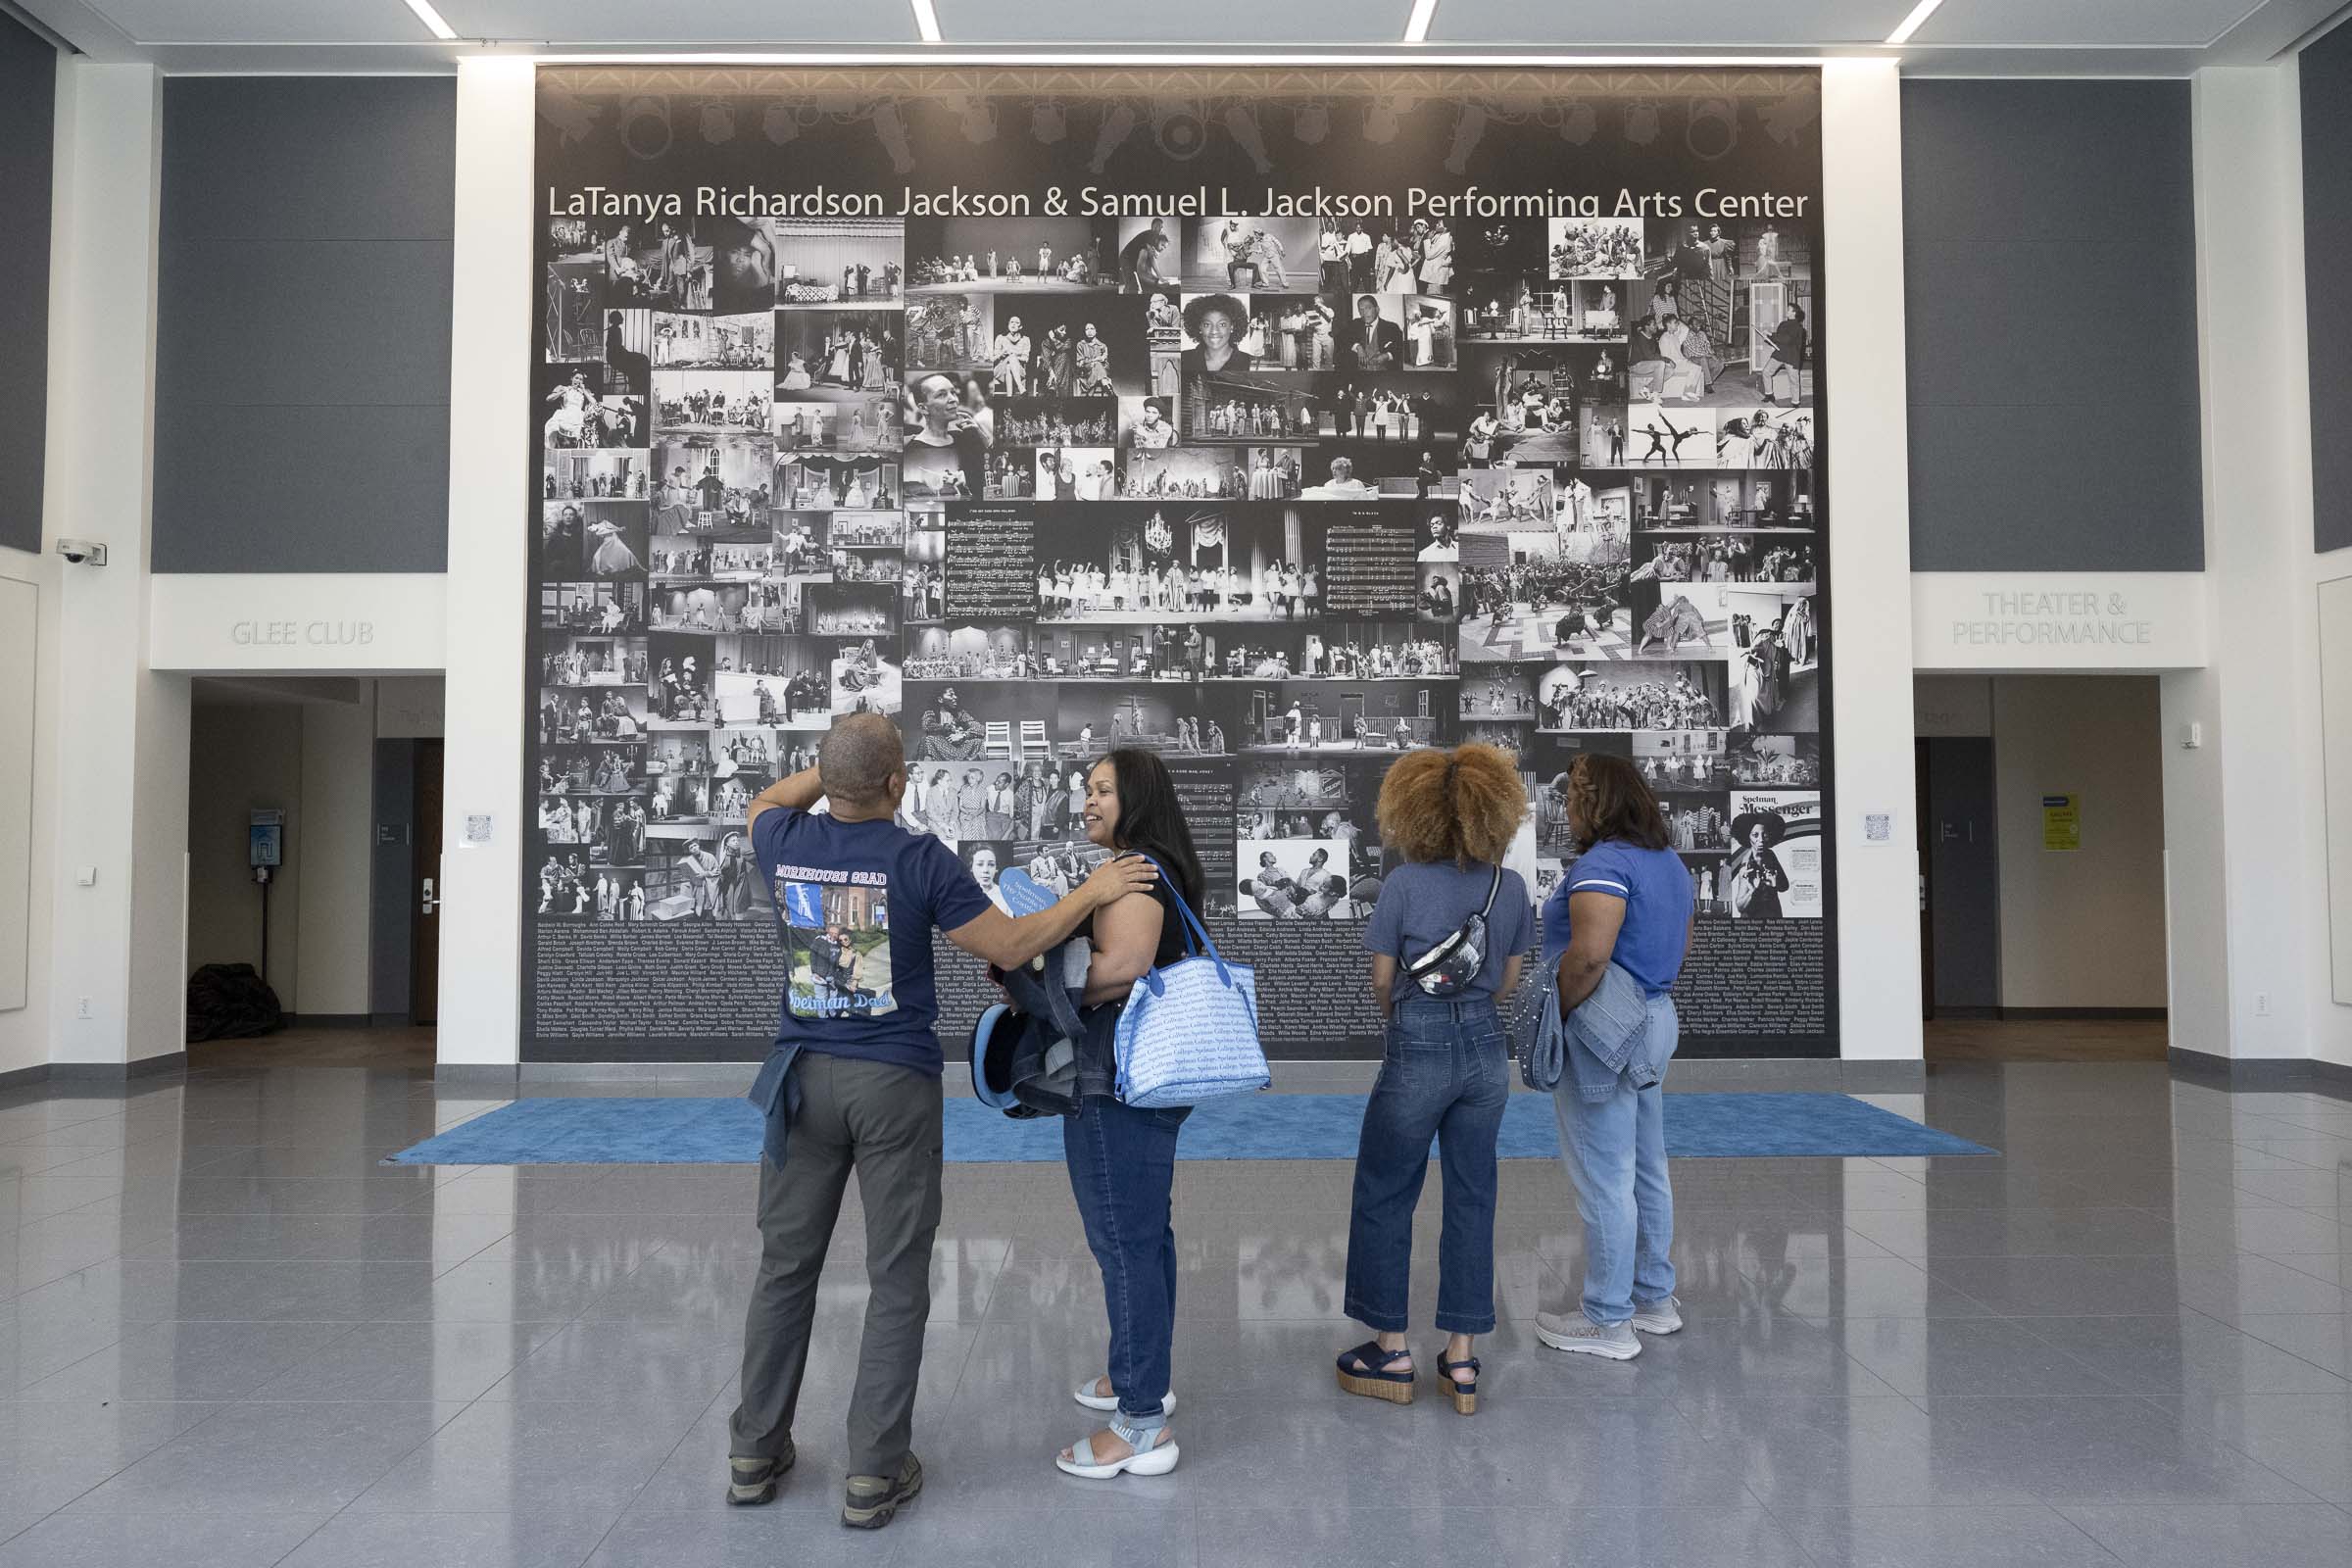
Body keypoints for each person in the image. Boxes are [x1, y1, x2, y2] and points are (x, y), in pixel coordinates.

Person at [729, 714, 1156, 1529]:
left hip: (800, 1084)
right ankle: (874, 1472)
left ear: (828, 777)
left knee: (784, 1270)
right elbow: (1016, 938)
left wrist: (835, 771)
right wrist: (1094, 892)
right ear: (899, 785)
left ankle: (754, 1451)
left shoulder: (778, 835)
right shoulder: (919, 858)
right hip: (891, 1086)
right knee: (896, 1278)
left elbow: (767, 796)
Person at [1336, 744, 1532, 1415]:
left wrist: (1405, 1017)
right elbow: (1507, 981)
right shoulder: (1512, 888)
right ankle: (1462, 1357)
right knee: (1474, 1195)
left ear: (1410, 810)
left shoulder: (1403, 886)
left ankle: (1390, 1348)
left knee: (1388, 1188)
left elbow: (1383, 981)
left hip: (1417, 1040)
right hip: (1485, 1050)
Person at [1053, 749, 1211, 1480]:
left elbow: (1124, 966)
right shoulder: (1142, 866)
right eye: (1086, 788)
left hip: (1120, 1079)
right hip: (1137, 1080)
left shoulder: (1136, 871)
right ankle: (1141, 1375)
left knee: (1123, 1239)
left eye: (1103, 790)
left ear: (1137, 797)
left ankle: (1141, 1423)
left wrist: (1036, 978)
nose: (1088, 800)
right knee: (1144, 1234)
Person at [1533, 754, 1694, 1361]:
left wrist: (1564, 1011)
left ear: (1596, 801)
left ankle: (1607, 1320)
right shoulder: (1670, 864)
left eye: (1573, 795)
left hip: (1607, 1031)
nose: (1566, 807)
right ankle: (1653, 1299)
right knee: (1648, 1165)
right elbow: (1682, 944)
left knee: (1605, 1175)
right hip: (1654, 1017)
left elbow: (1589, 957)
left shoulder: (1604, 864)